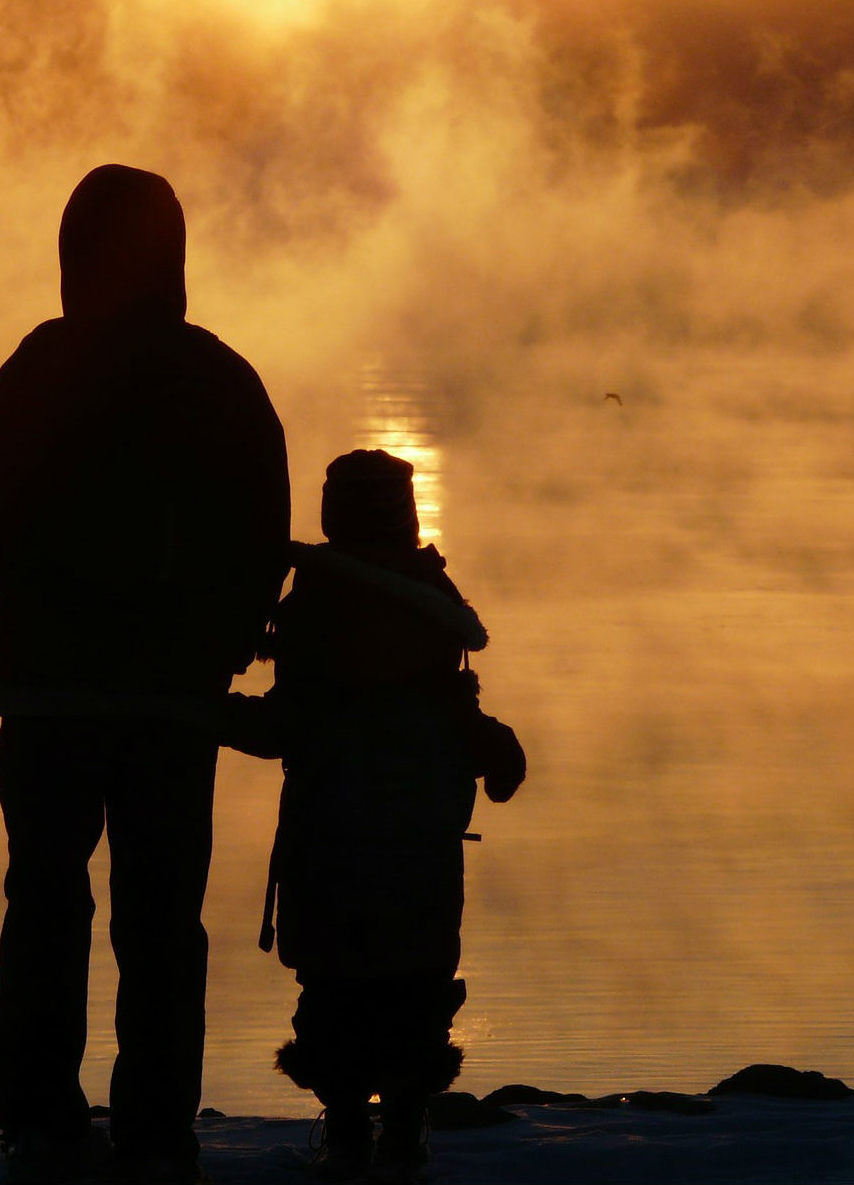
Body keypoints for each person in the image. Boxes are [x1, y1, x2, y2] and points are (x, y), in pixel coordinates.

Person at [0, 165, 291, 1185]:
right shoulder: (221, 377)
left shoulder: (47, 364)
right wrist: (228, 638)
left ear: (74, 255)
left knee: (45, 903)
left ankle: (41, 1119)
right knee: (161, 918)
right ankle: (155, 1128)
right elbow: (261, 533)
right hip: (169, 703)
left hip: (50, 693)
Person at [226, 450, 525, 1185]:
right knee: (414, 985)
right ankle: (400, 1127)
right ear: (408, 513)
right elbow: (460, 717)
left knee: (333, 985)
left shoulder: (310, 606)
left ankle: (350, 1128)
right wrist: (495, 749)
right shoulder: (433, 601)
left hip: (327, 841)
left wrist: (199, 713)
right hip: (418, 846)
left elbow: (284, 727)